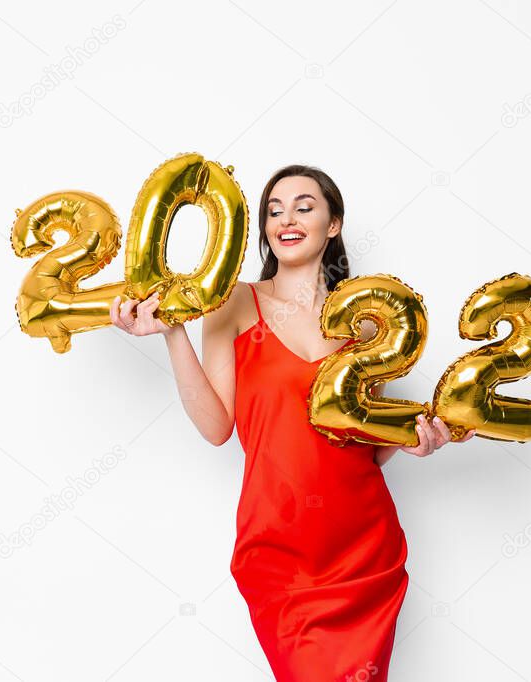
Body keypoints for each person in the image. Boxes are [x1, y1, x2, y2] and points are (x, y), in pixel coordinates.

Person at [110, 164, 476, 680]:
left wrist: (412, 439)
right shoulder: (235, 302)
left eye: (305, 206)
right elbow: (217, 427)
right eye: (274, 210)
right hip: (279, 548)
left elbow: (364, 441)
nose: (287, 218)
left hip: (363, 548)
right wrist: (173, 335)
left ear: (333, 224)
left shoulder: (369, 320)